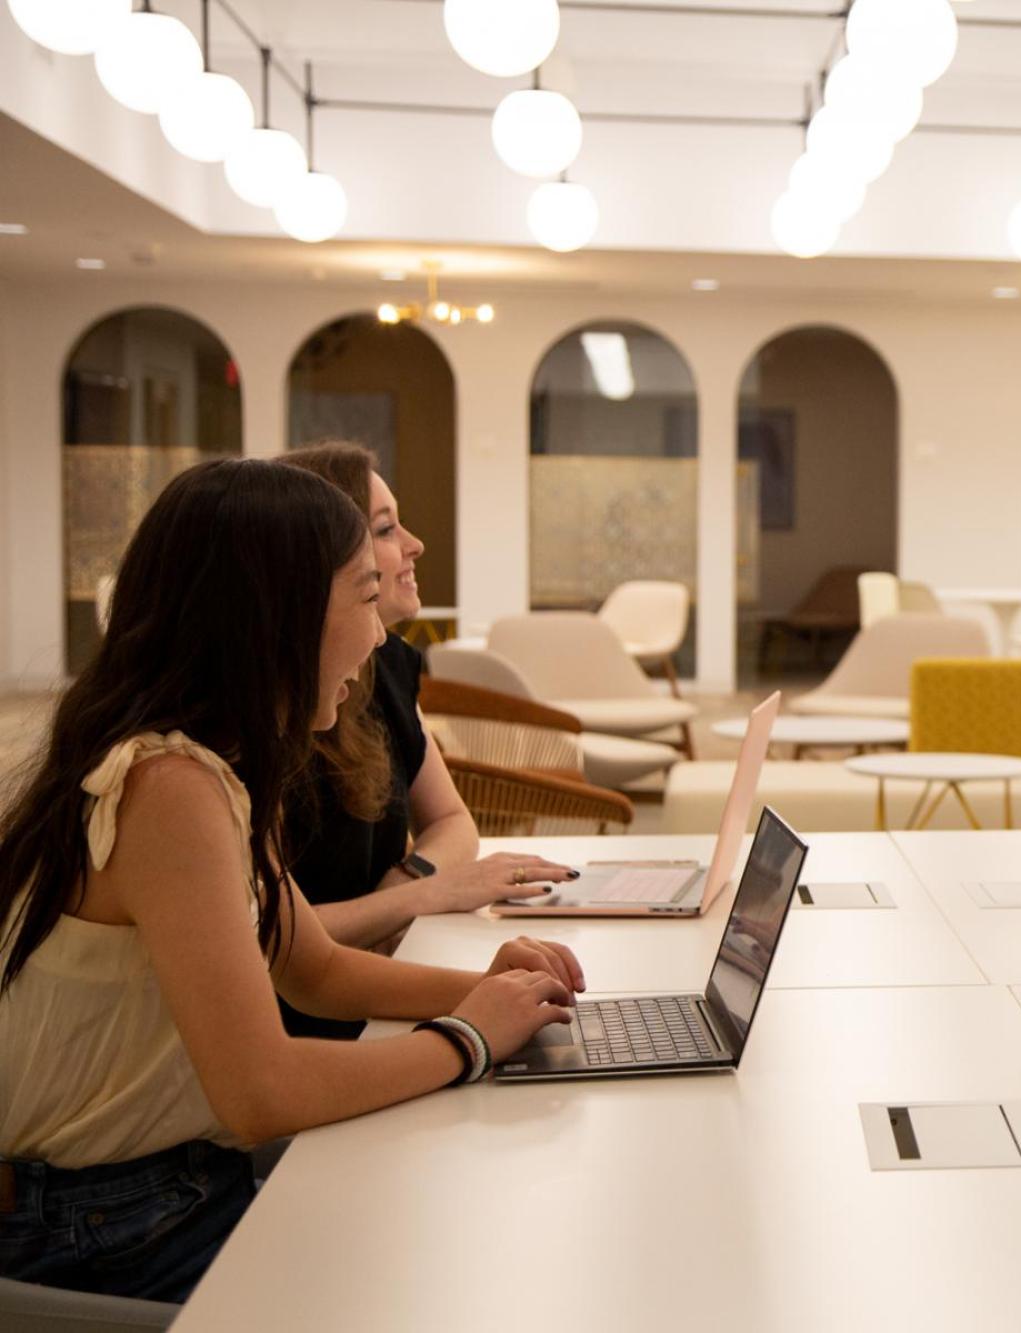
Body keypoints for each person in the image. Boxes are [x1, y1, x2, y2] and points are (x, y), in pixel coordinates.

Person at [0, 459, 586, 1301]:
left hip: (162, 1188)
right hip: (114, 1224)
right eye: (360, 593)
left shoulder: (214, 764)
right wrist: (470, 1039)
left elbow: (313, 969)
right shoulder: (168, 788)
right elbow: (259, 1092)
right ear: (276, 612)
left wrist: (490, 990)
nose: (380, 634)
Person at [276, 445, 573, 1038]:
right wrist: (425, 897)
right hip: (313, 1023)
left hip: (367, 987)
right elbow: (278, 950)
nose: (414, 545)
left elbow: (455, 822)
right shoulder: (227, 748)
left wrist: (410, 885)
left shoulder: (386, 665)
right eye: (386, 529)